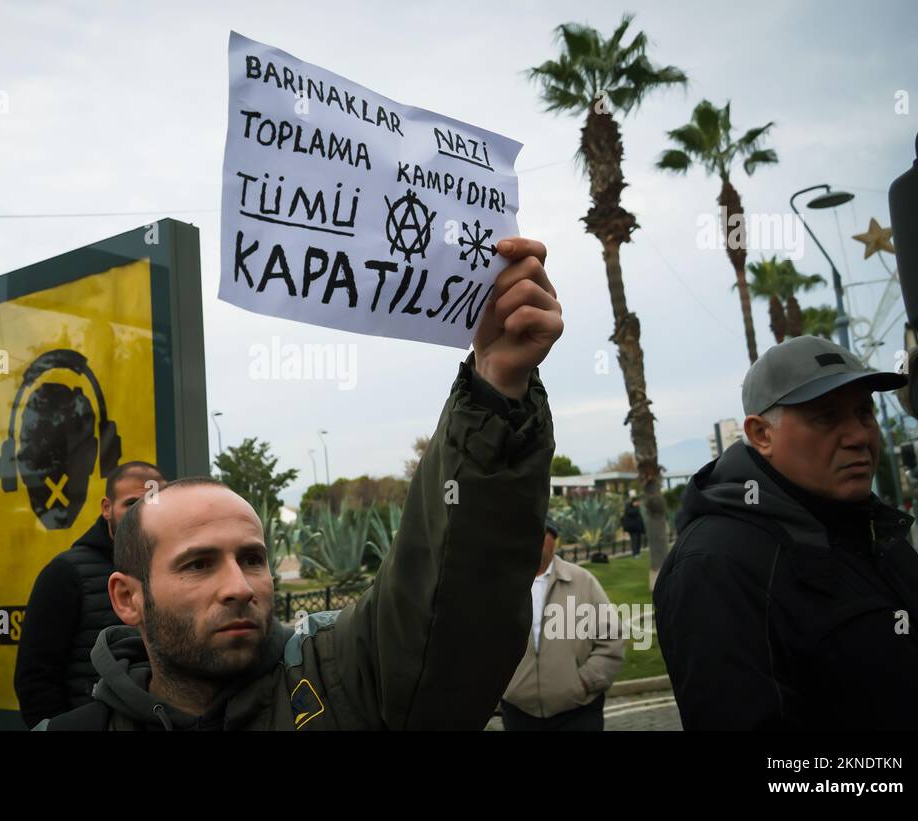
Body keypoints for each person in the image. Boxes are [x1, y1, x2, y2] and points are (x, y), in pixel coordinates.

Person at [34, 236, 563, 730]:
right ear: (128, 598)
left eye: (253, 558)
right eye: (198, 564)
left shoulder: (338, 682)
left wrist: (497, 384)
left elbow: (450, 596)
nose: (239, 588)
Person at [654, 335, 918, 730]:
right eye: (826, 417)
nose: (859, 437)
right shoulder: (715, 565)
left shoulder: (869, 526)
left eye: (864, 412)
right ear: (761, 435)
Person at [14, 460, 166, 728]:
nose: (142, 514)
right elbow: (35, 678)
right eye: (131, 504)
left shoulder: (171, 568)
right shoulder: (65, 573)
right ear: (107, 509)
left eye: (153, 504)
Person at [500, 516, 624, 730]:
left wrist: (584, 682)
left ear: (554, 539)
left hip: (578, 713)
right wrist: (505, 688)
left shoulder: (583, 581)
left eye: (541, 532)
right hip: (519, 713)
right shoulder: (501, 586)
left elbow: (611, 639)